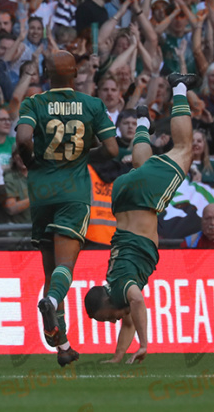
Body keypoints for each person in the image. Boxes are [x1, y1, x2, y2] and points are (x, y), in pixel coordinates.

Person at [82, 75, 198, 364]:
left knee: (184, 149)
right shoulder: (115, 282)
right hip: (121, 197)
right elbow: (130, 319)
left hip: (144, 201)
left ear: (107, 304)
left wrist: (145, 344)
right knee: (139, 165)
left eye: (105, 320)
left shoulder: (122, 285)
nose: (110, 323)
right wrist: (117, 357)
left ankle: (179, 87)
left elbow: (136, 301)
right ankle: (143, 122)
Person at [15, 50, 119, 366]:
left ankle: (63, 346)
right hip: (73, 192)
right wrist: (83, 152)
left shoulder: (34, 103)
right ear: (75, 73)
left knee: (50, 270)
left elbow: (22, 139)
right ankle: (51, 301)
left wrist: (33, 161)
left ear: (47, 74)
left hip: (42, 192)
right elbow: (113, 149)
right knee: (64, 268)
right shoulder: (92, 105)